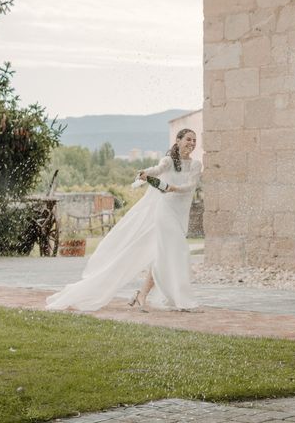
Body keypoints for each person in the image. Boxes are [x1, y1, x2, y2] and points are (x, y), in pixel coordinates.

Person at [46, 129, 202, 312]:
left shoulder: (196, 165)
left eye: (194, 140)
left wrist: (172, 188)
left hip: (179, 213)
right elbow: (156, 170)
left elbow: (190, 186)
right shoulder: (168, 161)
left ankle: (142, 294)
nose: (191, 143)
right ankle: (183, 300)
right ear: (178, 140)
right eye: (188, 139)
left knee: (163, 255)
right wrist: (144, 172)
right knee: (180, 252)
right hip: (165, 211)